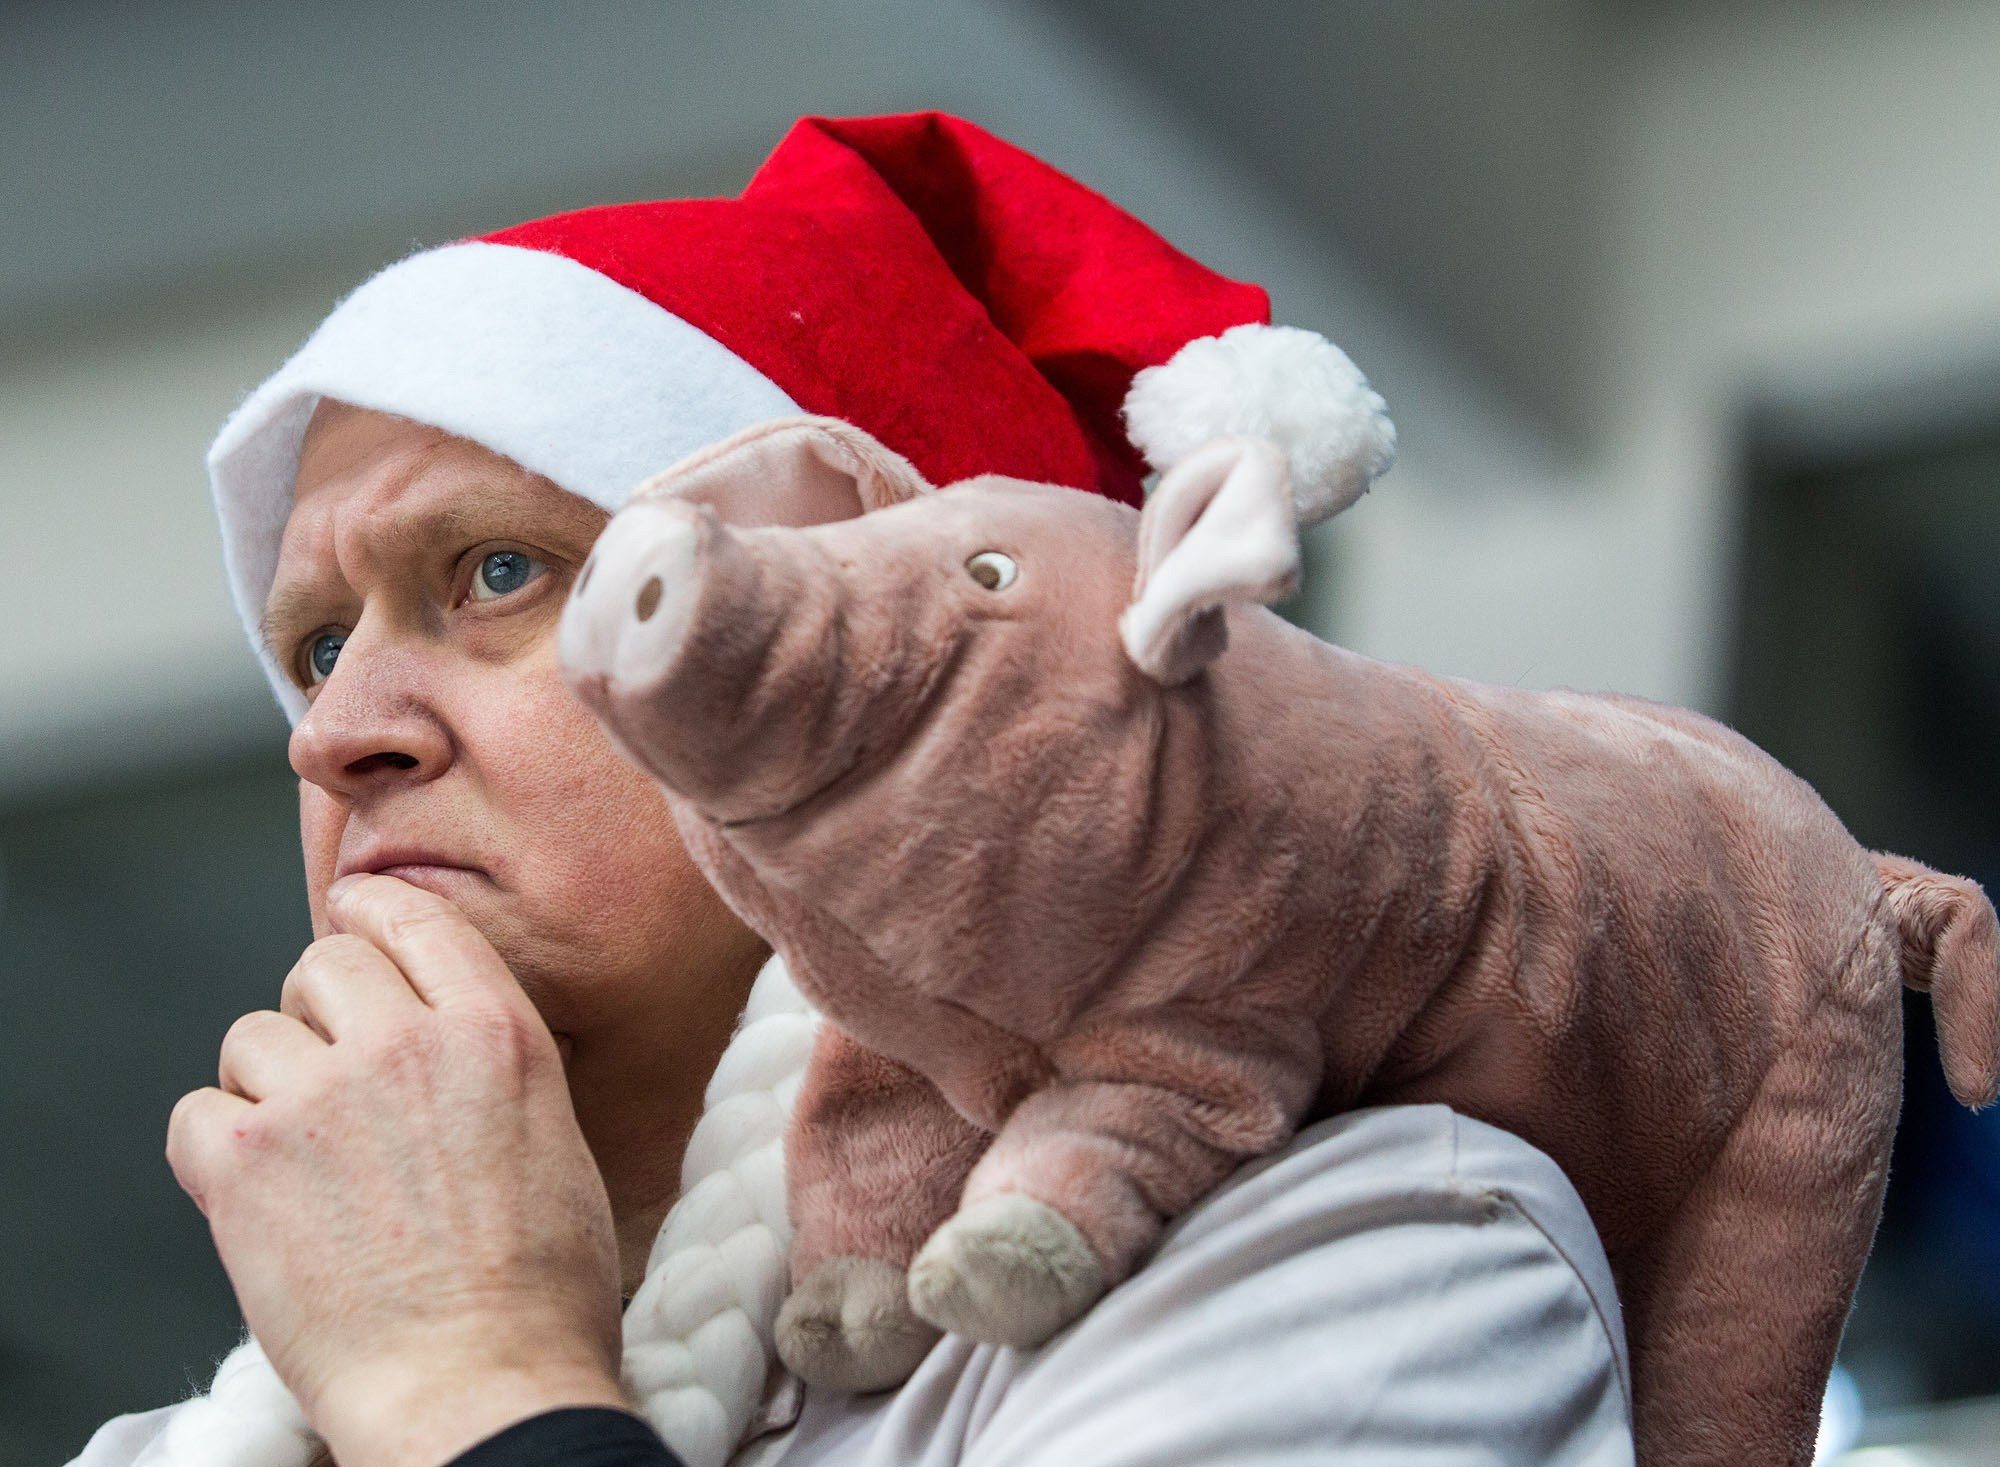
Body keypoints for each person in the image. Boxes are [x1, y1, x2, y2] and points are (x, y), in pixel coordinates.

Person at [71, 112, 1634, 1467]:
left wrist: (464, 1376)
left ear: (878, 689)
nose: (333, 730)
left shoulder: (1367, 1259)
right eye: (319, 641)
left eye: (495, 573)